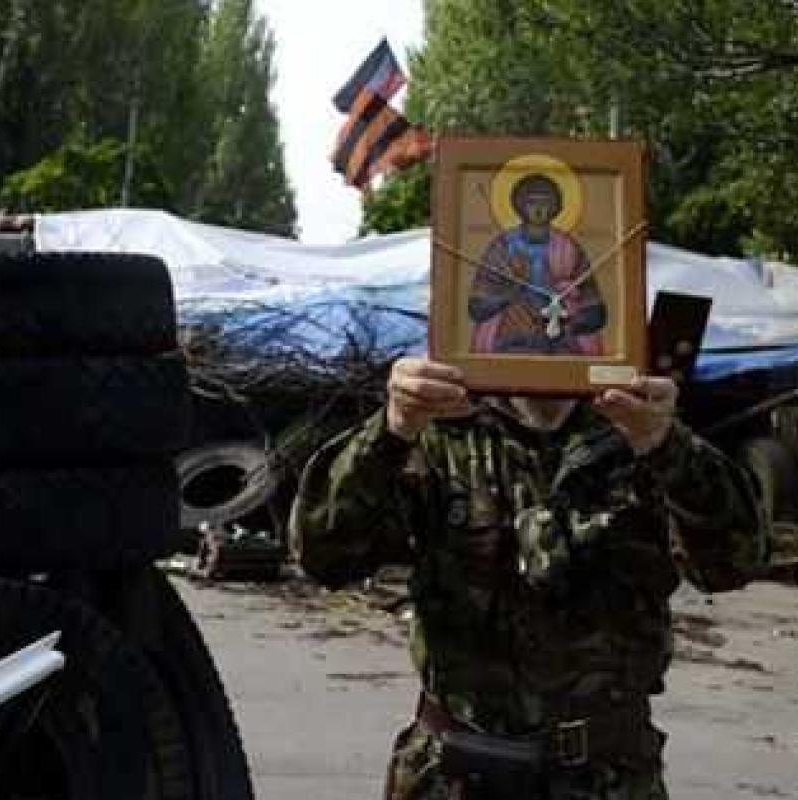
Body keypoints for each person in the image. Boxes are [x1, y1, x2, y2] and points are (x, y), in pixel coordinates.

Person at [290, 359, 766, 800]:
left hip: (609, 775)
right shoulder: (440, 432)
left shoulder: (639, 428)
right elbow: (325, 556)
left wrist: (667, 445)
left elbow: (732, 564)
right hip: (456, 770)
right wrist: (393, 430)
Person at [470, 174, 607, 356]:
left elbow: (595, 310)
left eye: (546, 203)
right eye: (531, 203)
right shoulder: (503, 247)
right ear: (519, 206)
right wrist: (513, 288)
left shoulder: (569, 248)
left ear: (555, 207)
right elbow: (477, 307)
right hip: (512, 333)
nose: (538, 209)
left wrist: (571, 320)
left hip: (559, 333)